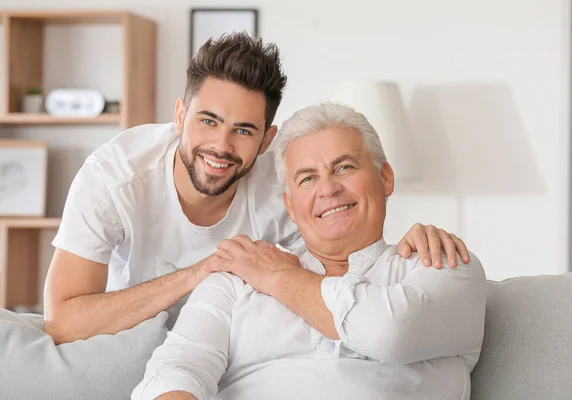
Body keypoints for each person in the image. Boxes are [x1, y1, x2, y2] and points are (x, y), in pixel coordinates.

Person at [43, 33, 470, 345]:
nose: (222, 146)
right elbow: (62, 320)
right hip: (128, 340)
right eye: (207, 121)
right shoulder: (113, 177)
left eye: (244, 130)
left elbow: (346, 264)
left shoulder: (284, 189)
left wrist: (409, 246)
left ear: (266, 139)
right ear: (179, 115)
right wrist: (198, 273)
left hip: (237, 343)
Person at [131, 103, 487, 400]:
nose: (328, 189)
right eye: (307, 178)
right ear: (289, 204)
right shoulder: (235, 280)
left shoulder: (443, 266)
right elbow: (176, 370)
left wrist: (281, 277)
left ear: (385, 178)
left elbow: (387, 333)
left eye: (344, 167)